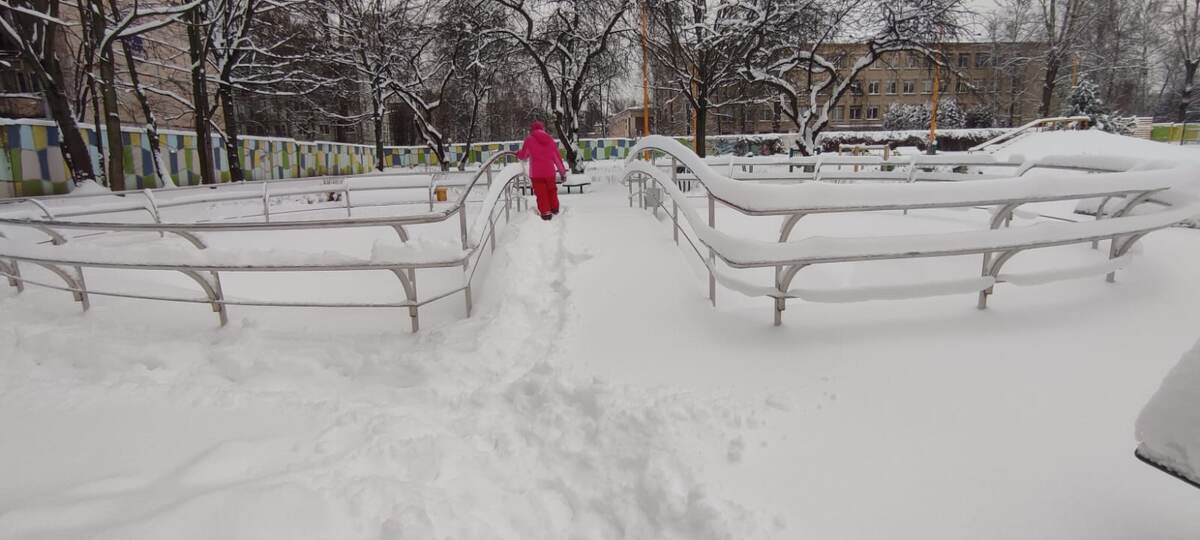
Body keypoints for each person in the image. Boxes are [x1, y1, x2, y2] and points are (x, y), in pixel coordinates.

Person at [517, 120, 567, 220]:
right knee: (552, 190)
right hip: (550, 172)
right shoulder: (550, 140)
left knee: (541, 193)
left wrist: (517, 153)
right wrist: (562, 172)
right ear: (542, 129)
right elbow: (557, 158)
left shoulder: (529, 140)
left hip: (536, 174)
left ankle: (546, 212)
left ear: (532, 130)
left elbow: (524, 156)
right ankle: (554, 209)